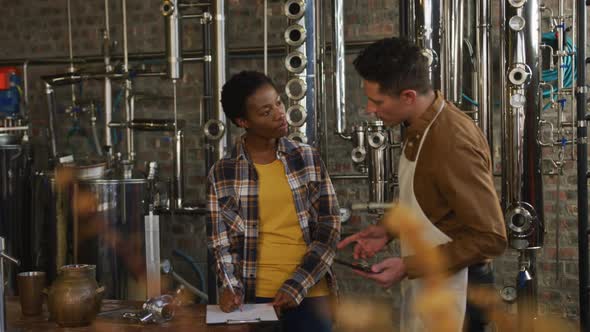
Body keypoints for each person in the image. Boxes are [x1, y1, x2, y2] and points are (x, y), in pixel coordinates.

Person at [337, 37, 507, 332]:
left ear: (408, 96)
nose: (370, 109)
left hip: (460, 291)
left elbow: (490, 237)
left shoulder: (452, 140)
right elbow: (430, 202)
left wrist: (407, 265)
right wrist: (388, 229)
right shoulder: (418, 127)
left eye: (377, 101)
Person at [207, 71, 340, 332]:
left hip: (310, 294)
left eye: (278, 103)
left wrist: (296, 285)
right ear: (243, 121)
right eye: (266, 112)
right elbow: (219, 242)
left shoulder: (307, 158)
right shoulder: (223, 172)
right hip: (251, 301)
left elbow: (329, 227)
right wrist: (230, 288)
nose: (280, 113)